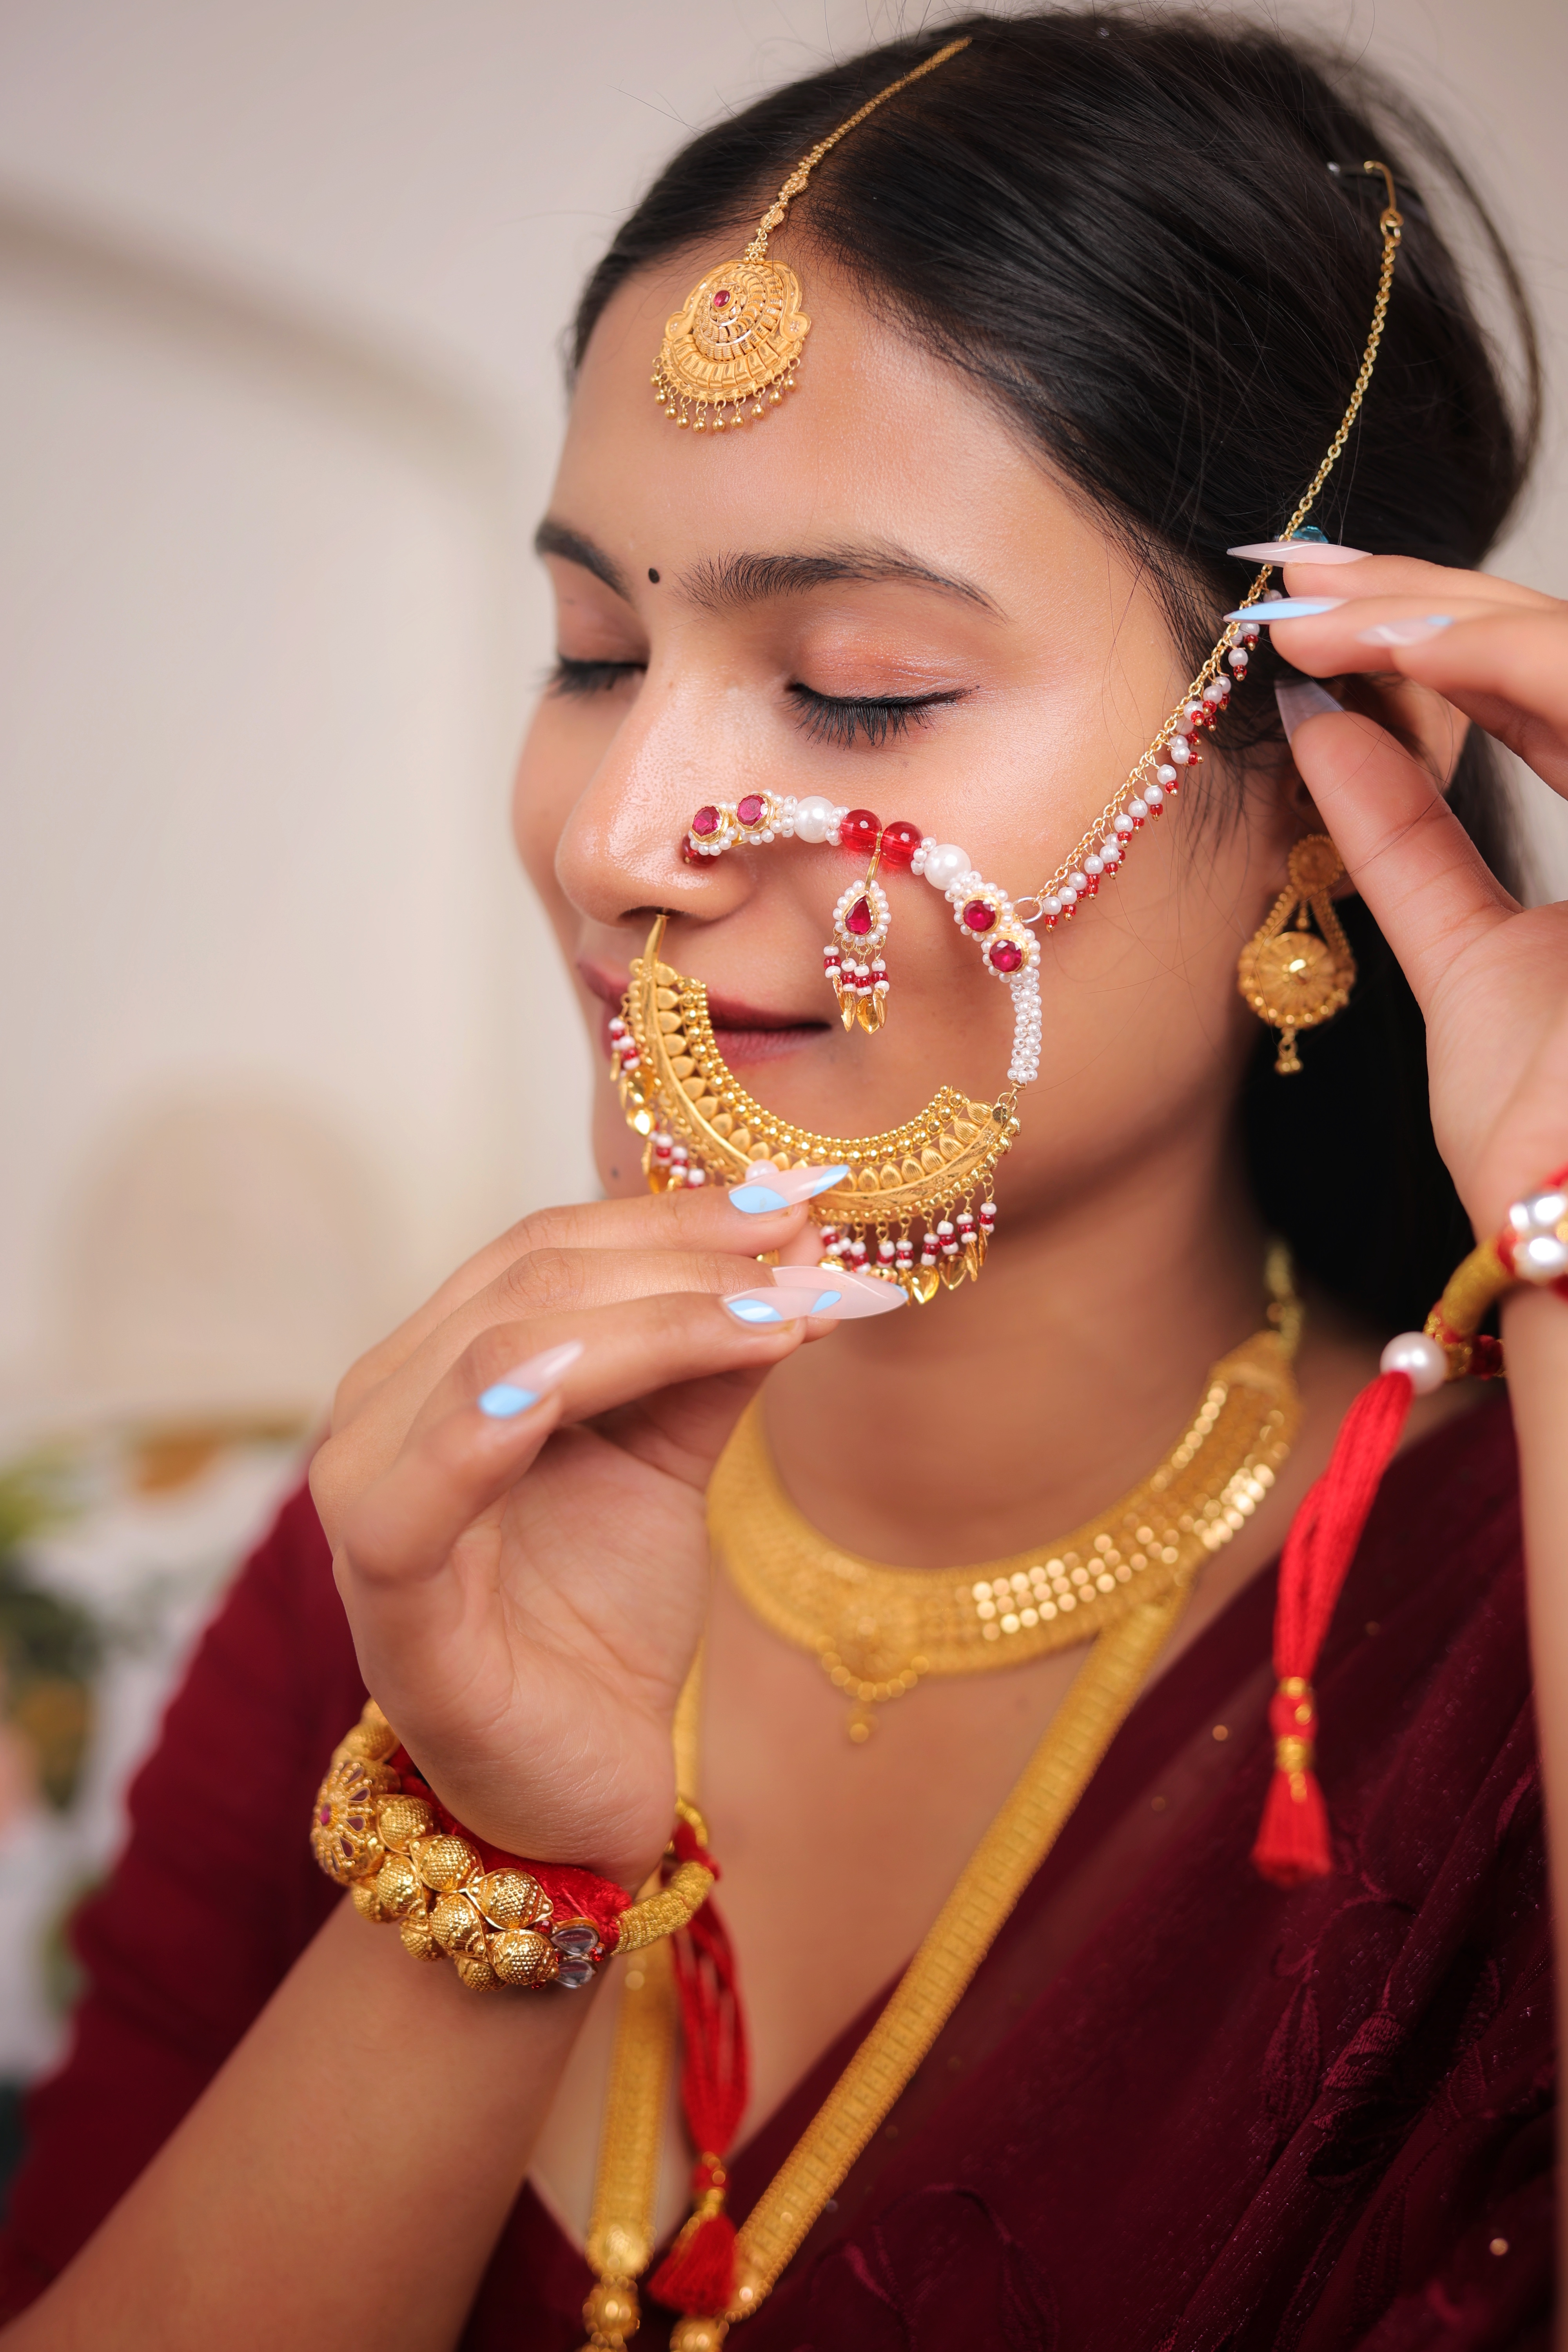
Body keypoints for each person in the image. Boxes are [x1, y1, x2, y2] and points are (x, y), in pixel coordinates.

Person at [2, 13, 1565, 2348]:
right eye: (593, 651)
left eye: (854, 690)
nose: (621, 842)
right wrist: (497, 1858)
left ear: (1336, 779)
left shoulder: (1493, 1641)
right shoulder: (414, 1560)